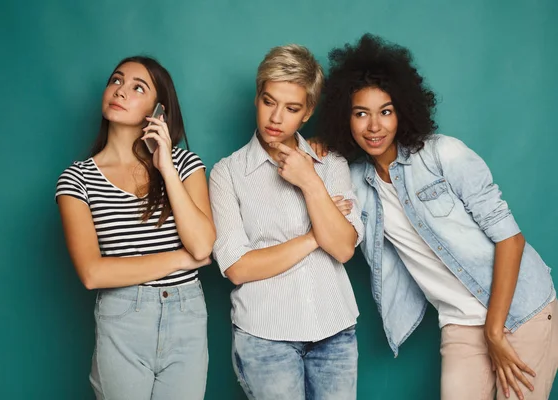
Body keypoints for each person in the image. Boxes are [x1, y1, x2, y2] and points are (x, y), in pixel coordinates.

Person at [312, 34, 557, 400]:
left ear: (404, 111)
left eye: (386, 111)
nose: (374, 126)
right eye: (361, 113)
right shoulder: (356, 183)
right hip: (460, 323)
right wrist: (317, 146)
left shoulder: (444, 154)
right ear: (344, 118)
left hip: (522, 311)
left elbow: (511, 239)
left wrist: (494, 331)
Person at [209, 44, 364, 400]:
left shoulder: (331, 164)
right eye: (268, 101)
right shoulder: (227, 174)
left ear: (307, 113)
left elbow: (342, 247)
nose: (276, 118)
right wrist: (314, 237)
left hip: (335, 331)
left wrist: (310, 180)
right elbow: (237, 267)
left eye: (291, 108)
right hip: (265, 337)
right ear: (257, 97)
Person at [55, 56, 215, 400]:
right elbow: (92, 273)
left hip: (187, 316)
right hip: (124, 317)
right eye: (116, 81)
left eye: (137, 87)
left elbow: (202, 246)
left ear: (159, 110)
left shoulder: (185, 165)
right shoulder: (77, 179)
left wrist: (166, 166)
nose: (120, 91)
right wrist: (181, 260)